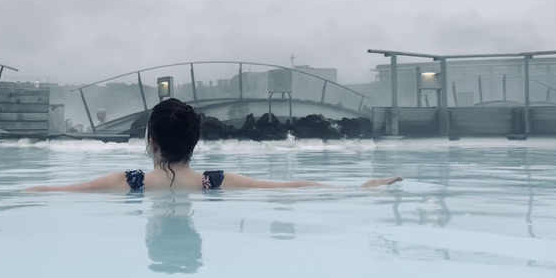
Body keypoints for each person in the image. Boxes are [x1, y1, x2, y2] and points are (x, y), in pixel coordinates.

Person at [25, 98, 402, 193]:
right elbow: (290, 187)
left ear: (150, 142)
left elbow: (56, 189)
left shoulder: (129, 182)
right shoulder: (218, 182)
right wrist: (357, 188)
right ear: (195, 141)